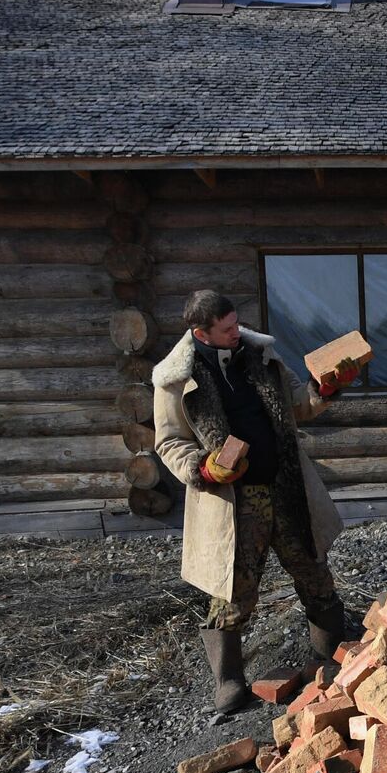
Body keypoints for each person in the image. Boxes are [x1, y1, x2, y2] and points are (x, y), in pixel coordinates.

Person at [150, 289, 362, 713]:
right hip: (233, 503)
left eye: (236, 324)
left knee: (313, 569)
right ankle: (228, 681)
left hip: (285, 487)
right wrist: (203, 469)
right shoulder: (176, 378)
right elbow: (169, 442)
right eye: (227, 329)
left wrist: (325, 388)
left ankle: (333, 656)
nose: (237, 332)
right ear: (201, 332)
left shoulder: (260, 356)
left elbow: (298, 406)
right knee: (232, 592)